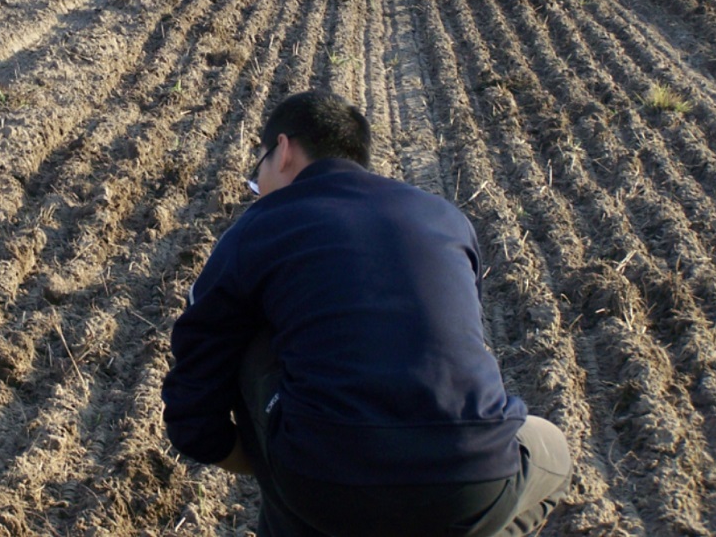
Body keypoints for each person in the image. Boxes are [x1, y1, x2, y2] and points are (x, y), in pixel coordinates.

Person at [162, 90, 572, 537]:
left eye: (256, 173)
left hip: (325, 479)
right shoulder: (446, 217)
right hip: (476, 478)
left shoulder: (260, 226)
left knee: (253, 335)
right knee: (553, 451)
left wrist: (238, 452)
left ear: (282, 151)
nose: (257, 189)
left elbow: (195, 382)